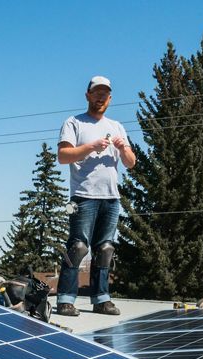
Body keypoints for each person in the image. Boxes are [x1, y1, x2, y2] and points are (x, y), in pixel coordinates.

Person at [56, 75, 135, 317]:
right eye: (96, 92)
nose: (100, 97)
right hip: (83, 196)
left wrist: (122, 149)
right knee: (78, 247)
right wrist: (91, 146)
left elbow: (131, 163)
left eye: (105, 93)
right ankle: (65, 299)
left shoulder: (117, 126)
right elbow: (63, 156)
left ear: (110, 99)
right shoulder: (74, 123)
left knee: (105, 249)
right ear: (88, 95)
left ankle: (101, 299)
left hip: (111, 198)